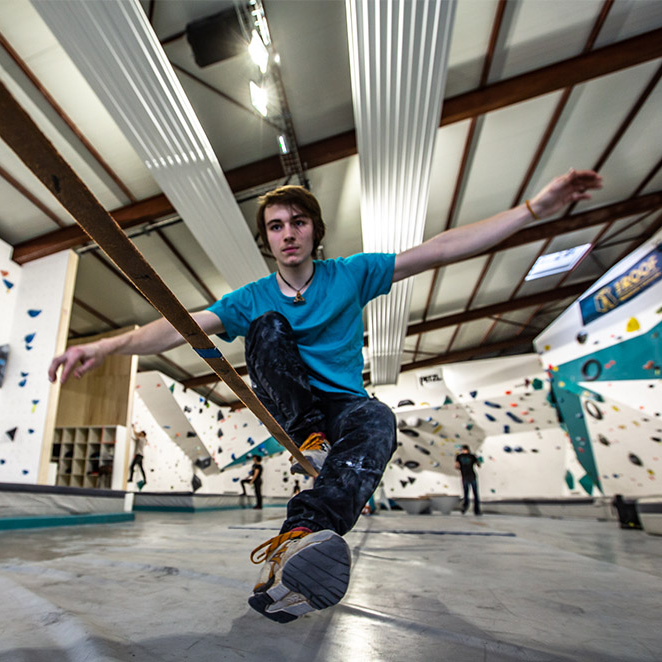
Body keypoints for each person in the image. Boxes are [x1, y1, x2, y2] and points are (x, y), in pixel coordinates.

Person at [48, 168, 602, 623]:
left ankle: (301, 537)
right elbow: (180, 327)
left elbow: (437, 251)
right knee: (266, 326)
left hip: (343, 407)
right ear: (267, 240)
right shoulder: (252, 296)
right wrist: (108, 346)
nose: (288, 233)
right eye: (276, 226)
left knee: (378, 418)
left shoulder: (351, 274)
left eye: (298, 222)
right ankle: (308, 437)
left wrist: (534, 210)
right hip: (292, 403)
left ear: (315, 231)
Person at [455, 444, 481, 515]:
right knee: (475, 493)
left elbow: (456, 466)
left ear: (462, 449)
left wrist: (461, 468)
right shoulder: (472, 456)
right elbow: (478, 465)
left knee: (466, 493)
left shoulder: (459, 456)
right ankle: (476, 510)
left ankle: (465, 507)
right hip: (472, 476)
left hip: (465, 476)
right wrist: (477, 460)